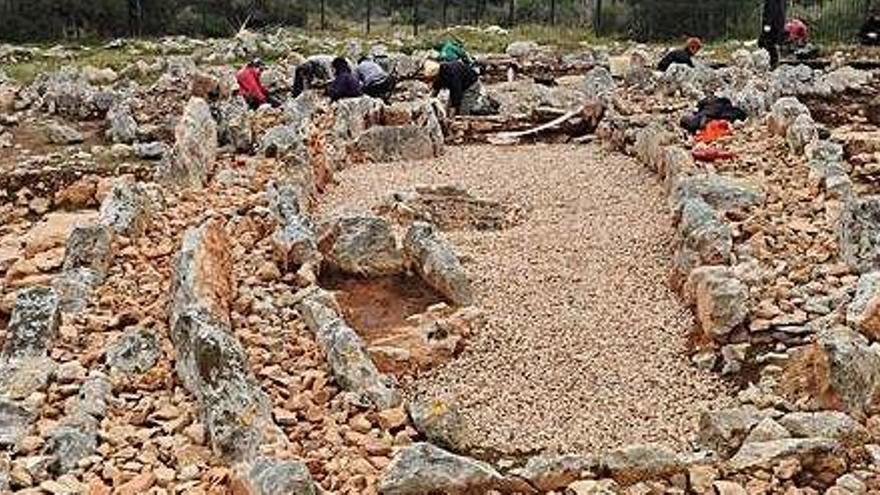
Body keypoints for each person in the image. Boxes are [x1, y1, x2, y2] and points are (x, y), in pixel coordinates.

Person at [423, 59, 498, 117]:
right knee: (447, 109)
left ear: (436, 75)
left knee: (463, 111)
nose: (431, 81)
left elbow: (456, 97)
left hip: (471, 85)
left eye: (432, 78)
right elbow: (435, 89)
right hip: (461, 84)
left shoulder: (452, 76)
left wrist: (452, 117)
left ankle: (488, 107)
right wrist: (429, 101)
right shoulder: (438, 73)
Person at [759, 0, 786, 68]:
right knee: (773, 44)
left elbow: (770, 11)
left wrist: (767, 24)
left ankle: (772, 63)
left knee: (767, 44)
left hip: (772, 26)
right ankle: (774, 62)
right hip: (778, 25)